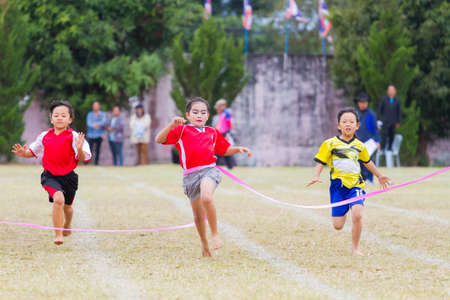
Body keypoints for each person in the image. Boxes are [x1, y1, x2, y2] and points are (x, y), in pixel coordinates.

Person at [155, 97, 252, 257]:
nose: (199, 115)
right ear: (188, 115)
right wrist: (172, 124)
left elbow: (224, 150)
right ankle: (205, 245)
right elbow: (159, 139)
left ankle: (214, 234)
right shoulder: (181, 130)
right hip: (190, 177)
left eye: (203, 112)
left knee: (207, 198)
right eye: (195, 112)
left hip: (209, 171)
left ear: (207, 116)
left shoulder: (212, 132)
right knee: (198, 216)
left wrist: (238, 149)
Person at [307, 107, 390, 256]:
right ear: (338, 125)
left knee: (357, 215)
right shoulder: (330, 144)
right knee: (338, 226)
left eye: (351, 122)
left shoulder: (359, 145)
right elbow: (321, 161)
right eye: (344, 121)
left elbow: (367, 162)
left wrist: (379, 175)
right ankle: (344, 207)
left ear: (357, 125)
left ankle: (355, 249)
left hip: (355, 186)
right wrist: (316, 175)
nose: (348, 124)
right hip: (338, 188)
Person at [11, 101, 91, 245]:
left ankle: (67, 224)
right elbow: (33, 151)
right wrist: (24, 153)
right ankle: (58, 234)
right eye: (56, 115)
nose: (59, 118)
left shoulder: (74, 137)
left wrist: (79, 149)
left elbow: (84, 158)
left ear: (70, 119)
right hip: (50, 176)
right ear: (51, 118)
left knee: (68, 208)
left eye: (63, 115)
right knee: (58, 199)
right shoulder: (44, 136)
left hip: (69, 177)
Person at [354, 93, 381, 183]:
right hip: (357, 141)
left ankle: (369, 179)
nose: (363, 104)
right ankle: (361, 179)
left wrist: (377, 141)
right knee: (358, 161)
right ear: (358, 103)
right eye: (361, 102)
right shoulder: (355, 114)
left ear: (367, 103)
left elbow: (375, 129)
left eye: (364, 102)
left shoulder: (371, 114)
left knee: (369, 161)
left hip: (369, 141)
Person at [213, 99, 236, 169]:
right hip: (220, 134)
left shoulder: (227, 114)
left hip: (225, 134)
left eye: (219, 106)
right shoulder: (220, 115)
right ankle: (215, 165)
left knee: (225, 150)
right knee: (219, 150)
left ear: (223, 106)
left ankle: (230, 166)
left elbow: (229, 125)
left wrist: (228, 133)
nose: (218, 108)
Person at [378, 85, 402, 151]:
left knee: (392, 135)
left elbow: (399, 112)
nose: (391, 92)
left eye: (392, 90)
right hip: (385, 121)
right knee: (384, 134)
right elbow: (380, 109)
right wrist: (379, 119)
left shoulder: (397, 101)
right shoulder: (384, 99)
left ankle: (390, 147)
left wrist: (398, 122)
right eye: (390, 90)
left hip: (393, 122)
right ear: (387, 91)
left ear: (395, 92)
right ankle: (383, 147)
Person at [86, 101, 107, 165]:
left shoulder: (102, 114)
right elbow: (88, 123)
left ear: (99, 106)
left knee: (98, 149)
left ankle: (96, 163)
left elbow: (104, 122)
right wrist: (95, 125)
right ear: (93, 107)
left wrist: (97, 124)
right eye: (94, 106)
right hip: (91, 135)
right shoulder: (89, 114)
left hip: (99, 134)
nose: (95, 107)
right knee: (89, 149)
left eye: (97, 105)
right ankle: (86, 163)